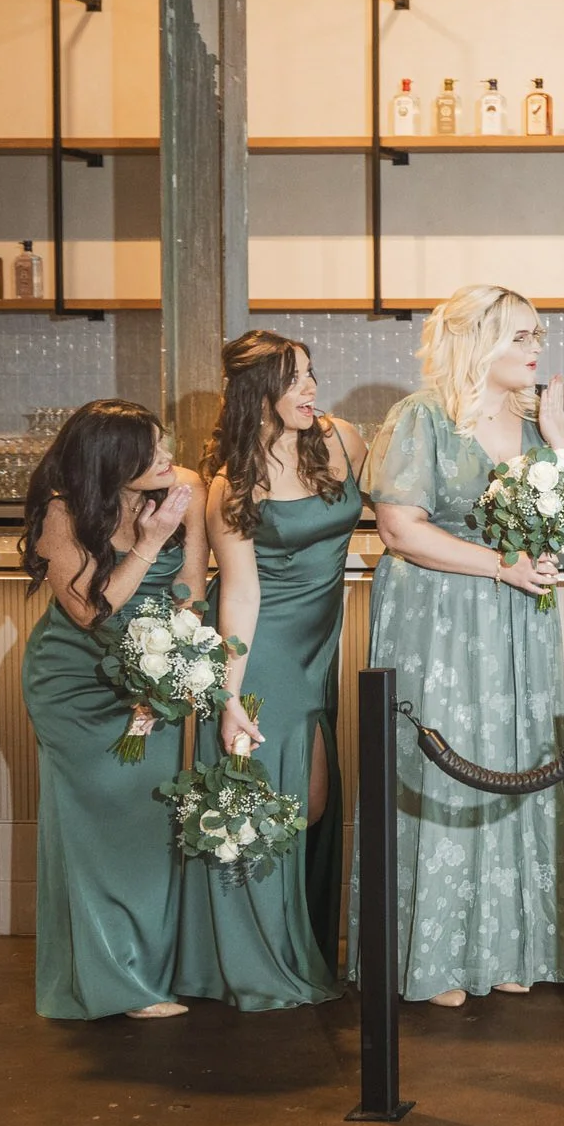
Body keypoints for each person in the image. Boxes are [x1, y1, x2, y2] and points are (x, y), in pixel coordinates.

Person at [361, 284, 564, 1008]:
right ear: (475, 341)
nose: (536, 349)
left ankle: (510, 943)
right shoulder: (420, 418)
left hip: (522, 618)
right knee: (445, 760)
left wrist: (556, 443)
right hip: (439, 616)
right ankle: (437, 953)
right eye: (521, 336)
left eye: (538, 336)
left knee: (516, 757)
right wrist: (499, 565)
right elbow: (399, 529)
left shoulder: (549, 423)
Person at [177, 331, 362, 1012]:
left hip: (323, 645)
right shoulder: (233, 481)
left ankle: (298, 937)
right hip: (272, 650)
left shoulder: (343, 440)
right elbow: (241, 594)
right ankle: (262, 952)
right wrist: (228, 695)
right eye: (296, 380)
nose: (312, 390)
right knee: (293, 801)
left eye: (313, 374)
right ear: (258, 392)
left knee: (310, 802)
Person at [18, 399, 208, 1020]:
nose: (166, 456)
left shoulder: (177, 494)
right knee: (95, 827)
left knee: (144, 823)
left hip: (150, 677)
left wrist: (180, 659)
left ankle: (143, 971)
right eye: (150, 449)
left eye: (162, 442)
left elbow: (191, 589)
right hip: (77, 687)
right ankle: (112, 983)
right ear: (111, 462)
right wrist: (150, 543)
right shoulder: (62, 513)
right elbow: (91, 611)